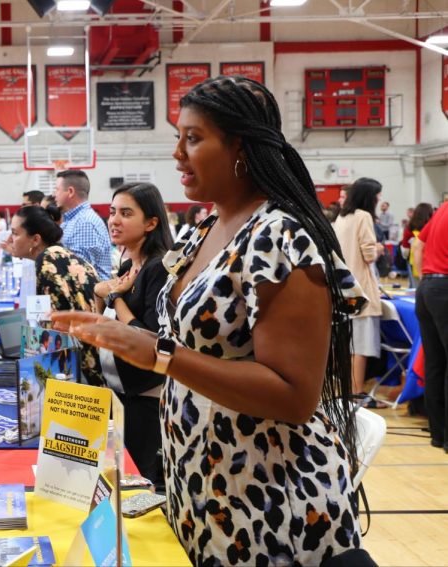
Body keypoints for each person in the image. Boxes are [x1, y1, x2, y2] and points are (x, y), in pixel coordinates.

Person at [52, 76, 367, 565]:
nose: (177, 153)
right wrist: (129, 336)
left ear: (240, 146)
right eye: (179, 137)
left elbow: (294, 395)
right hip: (205, 493)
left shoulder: (280, 236)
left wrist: (157, 354)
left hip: (271, 504)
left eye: (193, 138)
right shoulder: (204, 229)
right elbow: (189, 344)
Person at [92, 182, 172, 485]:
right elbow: (107, 325)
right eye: (112, 212)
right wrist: (103, 295)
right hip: (121, 392)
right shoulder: (128, 264)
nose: (114, 220)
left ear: (151, 222)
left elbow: (150, 339)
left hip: (148, 398)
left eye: (126, 213)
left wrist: (115, 297)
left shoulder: (158, 267)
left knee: (146, 482)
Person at [5, 205, 102, 386]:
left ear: (35, 239)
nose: (10, 239)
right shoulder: (60, 254)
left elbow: (56, 329)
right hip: (92, 360)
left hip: (82, 372)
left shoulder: (46, 261)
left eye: (15, 233)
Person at [334, 178, 385, 406]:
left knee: (347, 347)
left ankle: (349, 391)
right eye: (377, 195)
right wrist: (378, 248)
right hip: (362, 291)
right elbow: (369, 254)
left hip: (344, 291)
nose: (379, 199)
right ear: (369, 196)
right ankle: (356, 394)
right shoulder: (363, 217)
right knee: (361, 348)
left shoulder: (342, 217)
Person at [412, 201, 448, 452]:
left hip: (426, 288)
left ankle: (438, 434)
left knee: (435, 363)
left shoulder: (443, 208)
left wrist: (422, 276)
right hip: (444, 287)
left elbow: (418, 245)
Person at [53, 169, 113, 280]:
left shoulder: (85, 223)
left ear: (70, 191)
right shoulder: (73, 220)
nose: (54, 194)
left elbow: (79, 274)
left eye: (57, 190)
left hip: (89, 296)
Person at [401, 203, 434, 288]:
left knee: (415, 287)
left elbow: (405, 249)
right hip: (431, 263)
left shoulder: (409, 229)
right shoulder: (432, 227)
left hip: (413, 262)